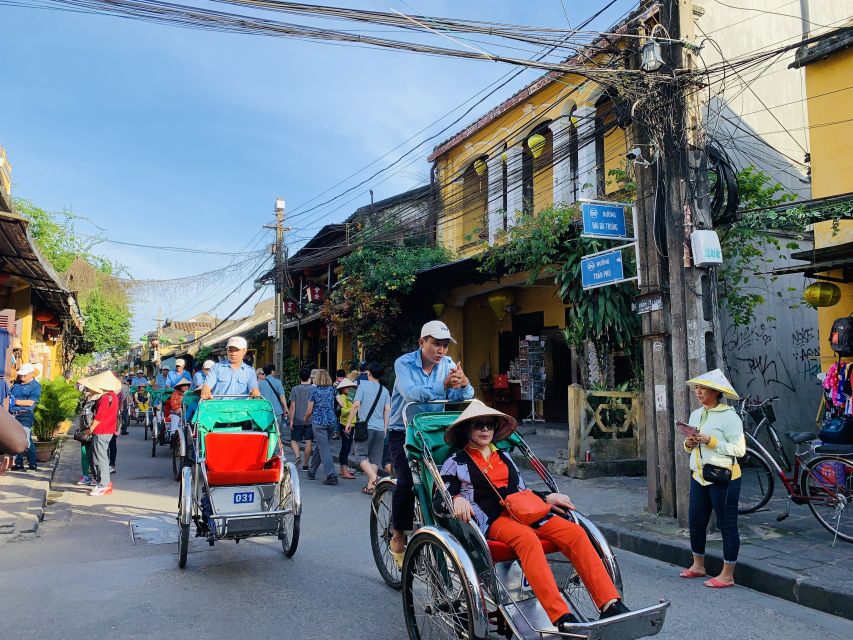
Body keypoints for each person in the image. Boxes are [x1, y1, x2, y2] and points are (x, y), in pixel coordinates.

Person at [439, 400, 628, 630]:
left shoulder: (505, 457)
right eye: (479, 425)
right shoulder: (455, 462)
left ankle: (609, 603)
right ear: (467, 430)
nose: (485, 430)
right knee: (527, 540)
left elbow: (520, 492)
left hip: (524, 512)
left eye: (489, 425)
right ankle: (560, 617)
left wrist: (547, 498)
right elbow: (440, 497)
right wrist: (457, 498)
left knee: (575, 532)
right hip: (493, 519)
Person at [388, 320, 474, 566]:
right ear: (421, 342)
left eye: (445, 346)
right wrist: (442, 385)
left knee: (453, 478)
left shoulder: (447, 365)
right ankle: (398, 534)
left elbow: (457, 398)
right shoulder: (404, 363)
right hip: (403, 431)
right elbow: (411, 394)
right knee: (407, 481)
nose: (441, 351)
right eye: (436, 344)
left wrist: (464, 384)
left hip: (437, 431)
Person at [680, 369, 746, 588]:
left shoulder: (729, 416)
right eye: (697, 388)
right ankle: (698, 565)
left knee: (727, 525)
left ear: (716, 392)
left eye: (703, 388)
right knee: (696, 521)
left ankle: (727, 574)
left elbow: (739, 449)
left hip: (723, 477)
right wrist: (688, 444)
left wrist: (710, 441)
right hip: (699, 475)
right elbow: (691, 446)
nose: (698, 392)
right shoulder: (696, 415)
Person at [346, 362, 391, 495]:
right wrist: (385, 428)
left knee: (360, 456)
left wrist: (349, 422)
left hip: (365, 427)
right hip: (379, 429)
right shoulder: (385, 390)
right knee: (375, 459)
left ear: (369, 373)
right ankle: (371, 487)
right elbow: (387, 410)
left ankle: (375, 479)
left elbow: (355, 405)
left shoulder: (363, 386)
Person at [78, 371, 122, 496]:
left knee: (100, 457)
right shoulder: (112, 396)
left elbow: (99, 416)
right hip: (106, 430)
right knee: (98, 456)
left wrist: (90, 428)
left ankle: (104, 484)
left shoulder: (105, 397)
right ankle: (102, 483)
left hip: (102, 430)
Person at [305, 368, 338, 485]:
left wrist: (306, 418)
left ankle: (331, 475)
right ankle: (312, 471)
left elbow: (309, 409)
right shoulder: (332, 389)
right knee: (321, 446)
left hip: (319, 422)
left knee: (324, 448)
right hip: (331, 421)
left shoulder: (313, 391)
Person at [10, 363, 41, 471]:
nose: (22, 377)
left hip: (25, 415)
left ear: (31, 374)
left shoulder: (36, 386)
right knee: (15, 440)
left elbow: (30, 402)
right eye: (21, 375)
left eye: (24, 375)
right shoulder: (17, 384)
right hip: (12, 415)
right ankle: (19, 463)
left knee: (26, 439)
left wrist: (15, 401)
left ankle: (32, 463)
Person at [288, 367, 314, 469]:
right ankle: (306, 464)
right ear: (309, 377)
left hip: (297, 418)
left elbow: (292, 406)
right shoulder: (314, 389)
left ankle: (298, 456)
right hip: (310, 419)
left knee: (294, 440)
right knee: (308, 441)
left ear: (300, 377)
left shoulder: (295, 389)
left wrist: (291, 420)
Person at [335, 378, 357, 480]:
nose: (350, 389)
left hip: (350, 424)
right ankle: (344, 470)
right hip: (345, 424)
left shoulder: (349, 397)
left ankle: (343, 468)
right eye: (347, 387)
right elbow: (343, 412)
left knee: (346, 447)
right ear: (343, 389)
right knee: (346, 447)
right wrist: (354, 407)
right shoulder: (343, 397)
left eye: (351, 387)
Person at [258, 364, 287, 437]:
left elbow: (258, 398)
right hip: (277, 411)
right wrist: (286, 408)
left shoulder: (260, 384)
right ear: (272, 371)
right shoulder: (278, 382)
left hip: (265, 411)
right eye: (274, 370)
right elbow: (282, 396)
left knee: (266, 432)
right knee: (277, 433)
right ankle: (276, 446)